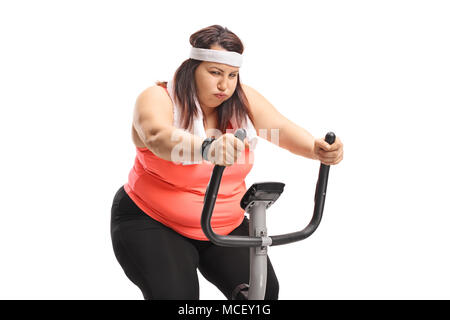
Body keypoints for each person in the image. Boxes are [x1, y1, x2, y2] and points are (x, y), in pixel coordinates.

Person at [110, 25, 344, 300]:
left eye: (232, 75)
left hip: (222, 225)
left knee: (263, 294)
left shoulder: (242, 100)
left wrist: (316, 149)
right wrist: (207, 148)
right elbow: (158, 137)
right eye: (215, 73)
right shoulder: (158, 98)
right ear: (192, 67)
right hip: (153, 220)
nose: (225, 85)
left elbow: (278, 128)